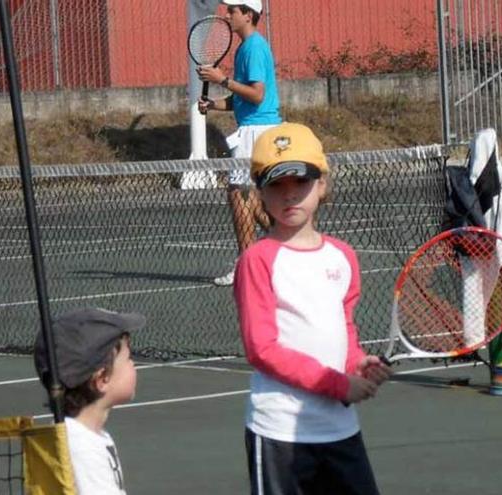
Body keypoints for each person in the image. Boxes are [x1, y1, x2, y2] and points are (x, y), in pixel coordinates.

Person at [233, 122, 392, 495]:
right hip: (279, 433)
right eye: (277, 186)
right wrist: (337, 384)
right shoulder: (257, 260)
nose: (289, 196)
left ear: (322, 185)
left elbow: (344, 328)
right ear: (260, 193)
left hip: (340, 430)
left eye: (300, 184)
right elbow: (262, 349)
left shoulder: (343, 256)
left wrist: (356, 362)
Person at [197, 0, 282, 286]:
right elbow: (242, 98)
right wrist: (213, 104)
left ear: (248, 14)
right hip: (256, 129)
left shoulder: (254, 47)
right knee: (248, 197)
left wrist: (223, 80)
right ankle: (284, 247)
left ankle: (247, 266)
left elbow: (257, 95)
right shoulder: (248, 47)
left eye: (232, 10)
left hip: (256, 132)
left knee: (238, 195)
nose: (227, 14)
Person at [33, 308, 144, 495]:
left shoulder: (88, 436)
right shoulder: (80, 447)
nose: (133, 363)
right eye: (128, 358)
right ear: (101, 379)